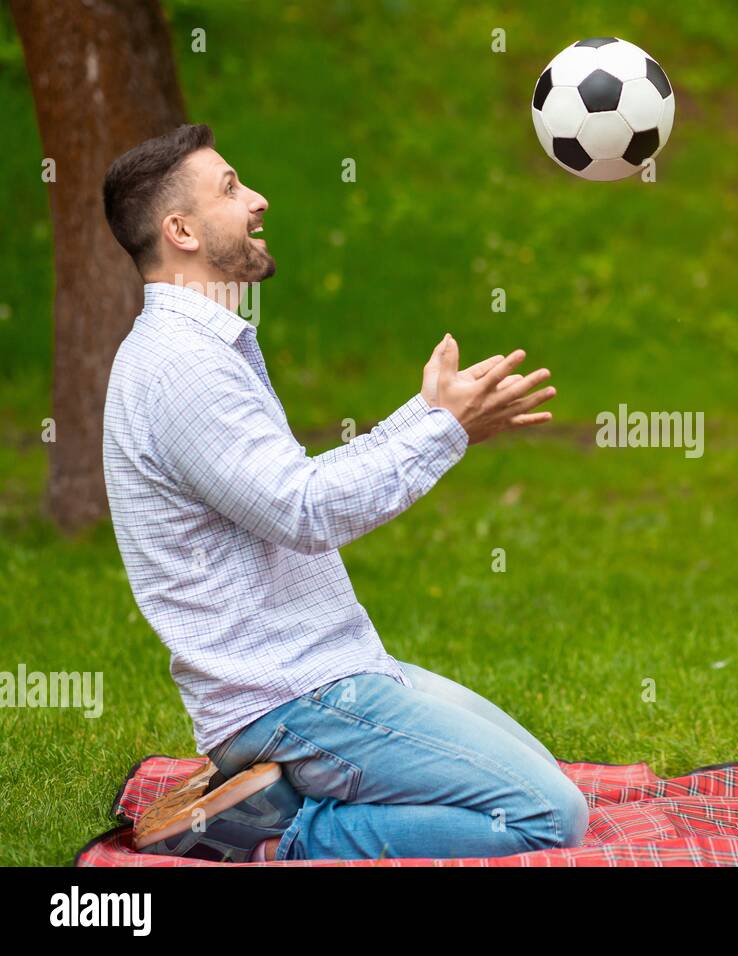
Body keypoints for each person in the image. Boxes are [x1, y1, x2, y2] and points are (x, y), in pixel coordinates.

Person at [101, 123, 587, 862]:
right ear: (181, 230)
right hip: (293, 699)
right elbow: (309, 509)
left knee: (536, 777)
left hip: (333, 671)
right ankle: (279, 837)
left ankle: (277, 791)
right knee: (549, 815)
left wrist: (429, 415)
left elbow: (296, 484)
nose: (258, 200)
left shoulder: (201, 347)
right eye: (231, 188)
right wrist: (445, 431)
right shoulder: (180, 369)